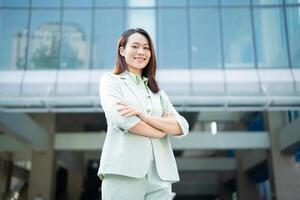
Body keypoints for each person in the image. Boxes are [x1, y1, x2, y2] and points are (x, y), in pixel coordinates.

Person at [98, 28, 189, 200]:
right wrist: (162, 129)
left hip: (160, 176)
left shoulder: (158, 92)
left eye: (146, 48)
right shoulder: (111, 81)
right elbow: (123, 119)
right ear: (122, 50)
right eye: (135, 46)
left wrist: (144, 116)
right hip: (123, 171)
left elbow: (181, 126)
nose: (141, 52)